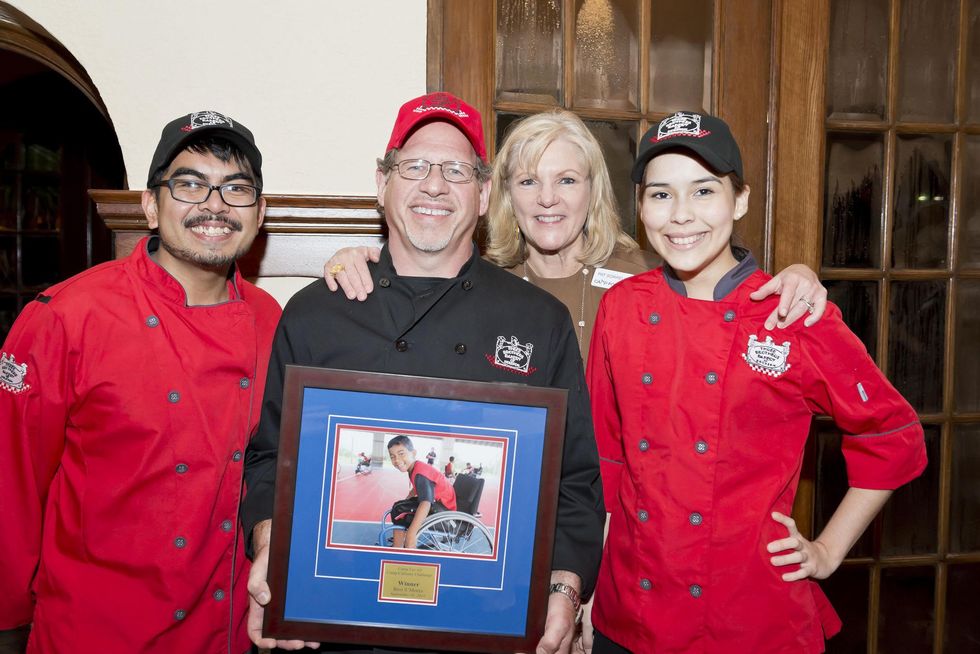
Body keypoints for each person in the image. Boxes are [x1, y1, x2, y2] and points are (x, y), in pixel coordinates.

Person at [242, 92, 604, 654]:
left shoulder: (539, 321)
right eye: (414, 166)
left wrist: (564, 588)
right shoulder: (317, 312)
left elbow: (575, 481)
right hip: (333, 628)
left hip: (488, 626)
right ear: (383, 183)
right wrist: (272, 546)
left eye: (456, 170)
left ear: (484, 194)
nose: (434, 185)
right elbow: (269, 457)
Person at [585, 111, 927, 653]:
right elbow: (606, 459)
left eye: (702, 191)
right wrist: (590, 592)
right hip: (630, 611)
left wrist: (827, 551)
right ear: (641, 206)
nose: (680, 216)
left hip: (748, 615)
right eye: (659, 195)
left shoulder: (790, 313)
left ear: (739, 201)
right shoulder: (622, 307)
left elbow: (893, 435)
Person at [0, 111, 281, 653]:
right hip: (93, 634)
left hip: (225, 636)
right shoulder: (65, 317)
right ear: (151, 206)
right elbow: (11, 487)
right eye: (190, 183)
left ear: (260, 213)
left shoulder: (274, 320)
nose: (214, 204)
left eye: (236, 188)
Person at [323, 110, 829, 360]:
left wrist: (797, 274)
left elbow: (724, 290)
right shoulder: (483, 281)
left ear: (593, 190)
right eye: (528, 181)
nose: (548, 199)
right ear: (501, 195)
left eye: (567, 180)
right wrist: (356, 260)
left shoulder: (649, 274)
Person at [387, 436, 457, 548]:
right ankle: (398, 545)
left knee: (400, 511)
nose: (397, 460)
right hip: (438, 504)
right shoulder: (416, 468)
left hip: (443, 511)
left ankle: (407, 546)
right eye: (392, 457)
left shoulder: (420, 473)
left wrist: (411, 534)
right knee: (398, 507)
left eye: (401, 454)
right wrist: (404, 502)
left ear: (413, 453)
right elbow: (414, 490)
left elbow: (426, 503)